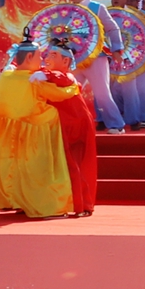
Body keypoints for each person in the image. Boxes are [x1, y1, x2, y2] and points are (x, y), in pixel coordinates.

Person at [0, 40, 85, 218]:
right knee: (37, 172)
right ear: (29, 57)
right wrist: (75, 86)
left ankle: (15, 201)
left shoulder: (6, 76)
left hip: (6, 135)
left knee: (12, 169)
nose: (42, 59)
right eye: (39, 56)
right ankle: (45, 208)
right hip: (32, 134)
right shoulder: (34, 80)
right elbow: (60, 93)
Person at [39, 39, 99, 216]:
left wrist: (47, 75)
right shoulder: (46, 75)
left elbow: (63, 79)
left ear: (65, 61)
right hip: (60, 125)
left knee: (76, 164)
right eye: (48, 54)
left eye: (53, 55)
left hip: (76, 125)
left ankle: (83, 205)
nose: (47, 58)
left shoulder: (68, 77)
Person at [66, 0, 125, 133]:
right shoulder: (67, 10)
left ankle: (116, 125)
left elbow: (112, 28)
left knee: (102, 93)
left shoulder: (97, 7)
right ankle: (72, 126)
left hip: (96, 57)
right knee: (69, 91)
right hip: (75, 58)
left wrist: (117, 49)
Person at [108, 0, 145, 131]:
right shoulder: (108, 14)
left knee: (137, 89)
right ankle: (117, 118)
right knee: (114, 89)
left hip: (133, 57)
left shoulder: (138, 16)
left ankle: (138, 119)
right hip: (112, 57)